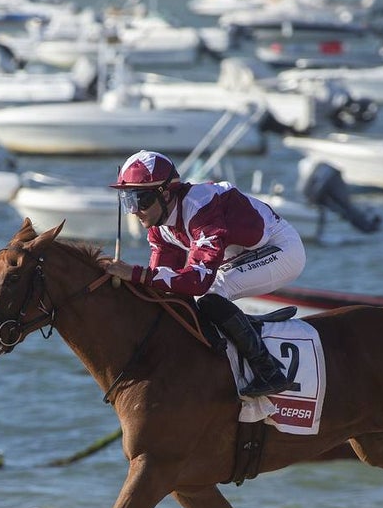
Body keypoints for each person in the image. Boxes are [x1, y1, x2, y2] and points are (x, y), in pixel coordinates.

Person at [104, 150, 306, 398]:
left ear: (165, 194)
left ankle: (270, 371)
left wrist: (135, 273)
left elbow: (199, 281)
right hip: (241, 256)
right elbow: (161, 284)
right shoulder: (158, 228)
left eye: (140, 200)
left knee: (210, 293)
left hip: (280, 249)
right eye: (128, 201)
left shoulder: (201, 207)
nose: (135, 211)